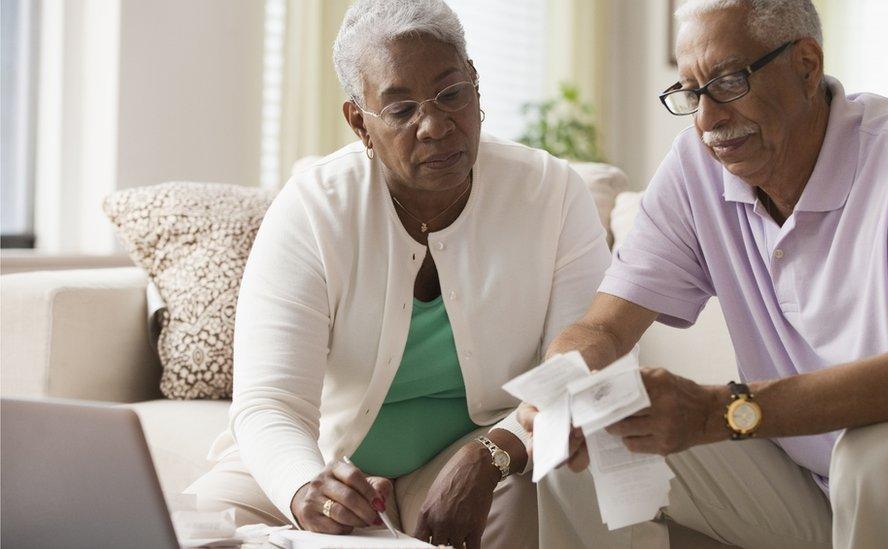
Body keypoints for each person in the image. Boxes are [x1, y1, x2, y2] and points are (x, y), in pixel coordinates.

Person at [518, 1, 888, 548]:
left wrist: (719, 411)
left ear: (807, 65)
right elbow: (604, 329)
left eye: (729, 81)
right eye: (690, 92)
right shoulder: (696, 167)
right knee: (592, 436)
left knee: (876, 454)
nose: (707, 121)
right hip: (799, 475)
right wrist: (562, 385)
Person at [184, 1, 610, 547]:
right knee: (196, 531)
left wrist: (492, 454)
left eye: (451, 93)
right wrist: (301, 487)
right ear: (359, 122)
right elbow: (270, 403)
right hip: (324, 462)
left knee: (538, 503)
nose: (434, 126)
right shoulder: (314, 209)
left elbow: (580, 371)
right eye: (401, 109)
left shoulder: (550, 193)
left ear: (476, 87)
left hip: (479, 459)